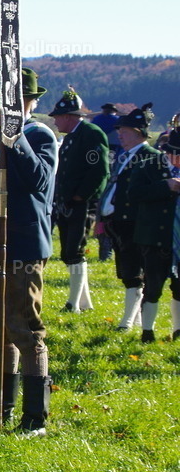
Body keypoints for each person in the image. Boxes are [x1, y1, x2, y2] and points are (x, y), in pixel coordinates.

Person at [0, 68, 57, 436]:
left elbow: (38, 181)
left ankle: (35, 417)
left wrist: (15, 137)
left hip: (21, 247)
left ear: (28, 102)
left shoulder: (41, 135)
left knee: (24, 327)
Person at [49, 87, 109, 312]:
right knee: (69, 251)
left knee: (75, 250)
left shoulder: (91, 134)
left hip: (81, 203)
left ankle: (73, 303)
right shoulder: (72, 138)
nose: (55, 122)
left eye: (57, 118)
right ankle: (84, 302)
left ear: (68, 116)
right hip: (68, 202)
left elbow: (99, 171)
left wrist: (80, 196)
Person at [100, 104, 157, 332]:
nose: (120, 134)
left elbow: (155, 192)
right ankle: (136, 320)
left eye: (125, 130)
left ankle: (127, 323)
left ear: (138, 132)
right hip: (119, 224)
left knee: (134, 275)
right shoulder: (126, 156)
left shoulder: (151, 157)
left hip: (136, 224)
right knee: (127, 273)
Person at [126, 126, 180, 342]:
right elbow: (134, 194)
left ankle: (177, 329)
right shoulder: (147, 167)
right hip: (154, 237)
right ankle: (147, 331)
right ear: (168, 153)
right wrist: (165, 186)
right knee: (153, 285)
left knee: (178, 287)